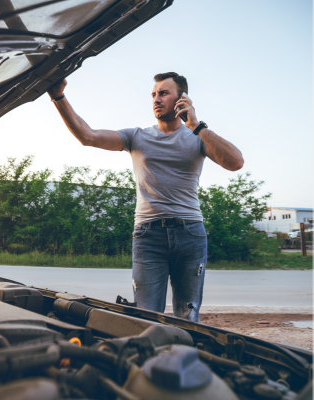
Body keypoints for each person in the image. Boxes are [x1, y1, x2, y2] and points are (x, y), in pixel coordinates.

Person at [47, 72, 243, 321]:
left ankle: (182, 358)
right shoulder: (136, 136)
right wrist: (58, 96)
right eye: (153, 94)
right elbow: (88, 136)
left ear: (182, 99)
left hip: (190, 233)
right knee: (144, 317)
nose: (156, 99)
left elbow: (235, 162)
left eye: (163, 93)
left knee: (187, 316)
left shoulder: (198, 138)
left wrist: (196, 125)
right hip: (148, 235)